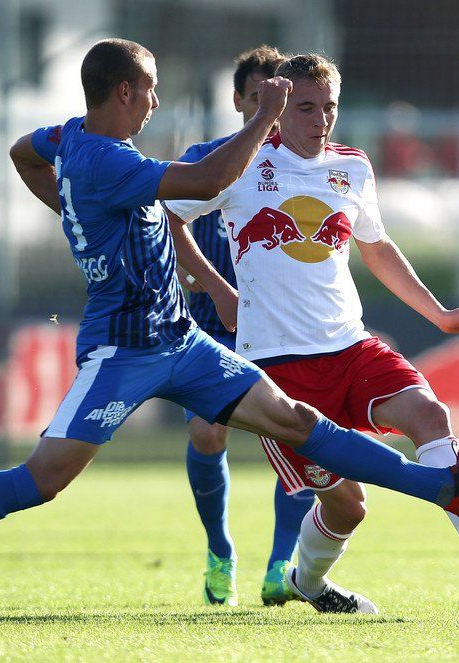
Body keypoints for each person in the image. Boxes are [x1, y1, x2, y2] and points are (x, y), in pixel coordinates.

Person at [0, 38, 459, 613]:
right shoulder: (108, 161)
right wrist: (265, 117)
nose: (156, 103)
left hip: (183, 340)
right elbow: (211, 176)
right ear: (123, 93)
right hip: (122, 351)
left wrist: (71, 213)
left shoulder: (67, 137)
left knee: (298, 422)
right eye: (150, 91)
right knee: (40, 480)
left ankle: (444, 487)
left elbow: (24, 153)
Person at [165, 54, 459, 614]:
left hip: (351, 346)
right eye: (306, 107)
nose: (320, 119)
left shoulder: (352, 166)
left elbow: (376, 247)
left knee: (431, 415)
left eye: (329, 107)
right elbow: (169, 215)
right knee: (349, 507)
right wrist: (216, 287)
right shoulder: (242, 163)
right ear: (279, 109)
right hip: (277, 371)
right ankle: (308, 583)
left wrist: (440, 315)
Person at [172, 46, 315, 608]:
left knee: (300, 437)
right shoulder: (206, 161)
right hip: (216, 327)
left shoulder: (306, 165)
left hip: (286, 329)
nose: (270, 111)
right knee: (207, 433)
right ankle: (219, 550)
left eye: (280, 100)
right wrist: (216, 288)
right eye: (259, 98)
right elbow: (168, 227)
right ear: (238, 101)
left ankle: (282, 565)